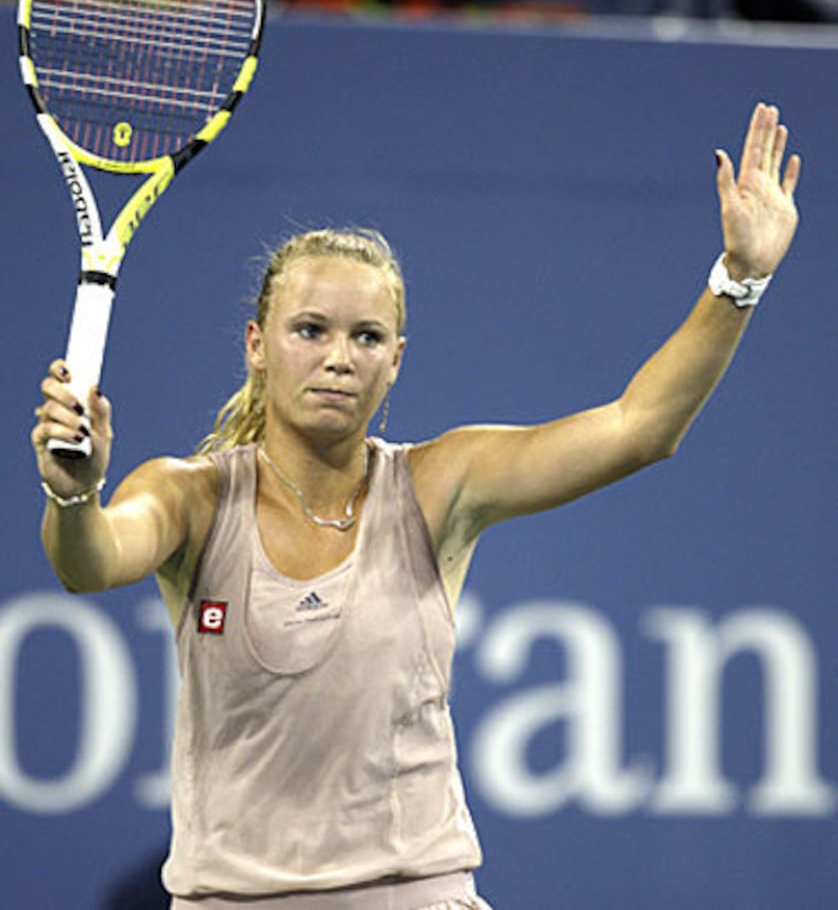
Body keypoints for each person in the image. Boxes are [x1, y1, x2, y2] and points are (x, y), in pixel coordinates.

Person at [31, 101, 800, 909]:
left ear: (395, 361)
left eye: (366, 338)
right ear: (256, 345)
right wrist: (73, 489)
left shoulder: (443, 482)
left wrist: (738, 279)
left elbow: (640, 428)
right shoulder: (189, 494)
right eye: (310, 331)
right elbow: (89, 562)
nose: (338, 359)